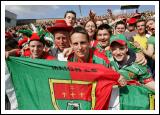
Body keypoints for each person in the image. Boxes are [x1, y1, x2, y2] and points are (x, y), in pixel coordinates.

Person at [109, 34, 155, 110]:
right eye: (114, 49)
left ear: (127, 48)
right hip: (113, 104)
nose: (118, 52)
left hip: (134, 103)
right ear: (110, 50)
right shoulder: (106, 61)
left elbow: (148, 81)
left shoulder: (139, 63)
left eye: (121, 48)